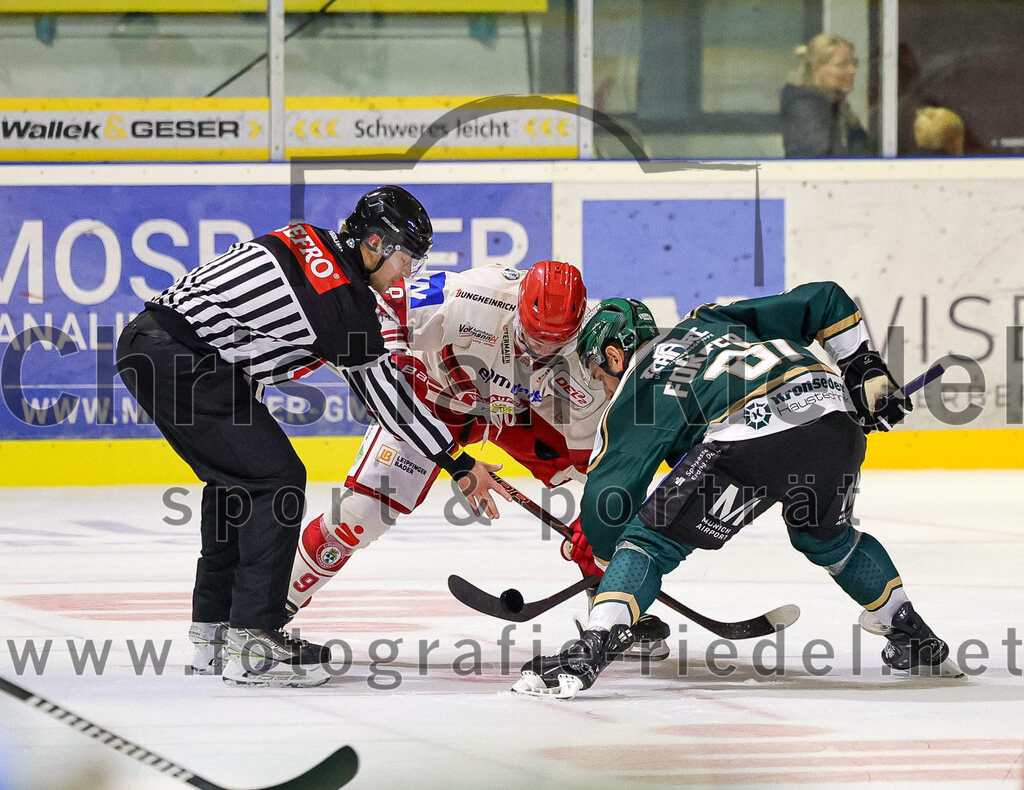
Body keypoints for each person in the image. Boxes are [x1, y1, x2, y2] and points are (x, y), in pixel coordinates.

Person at [116, 185, 509, 688]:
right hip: (184, 361)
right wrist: (457, 461)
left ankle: (212, 633)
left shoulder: (307, 238)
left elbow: (243, 322)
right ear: (374, 243)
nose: (408, 272)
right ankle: (253, 639)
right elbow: (390, 402)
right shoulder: (344, 301)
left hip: (156, 344)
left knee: (237, 484)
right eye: (406, 257)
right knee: (276, 481)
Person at [514, 286, 964, 698]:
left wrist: (605, 560)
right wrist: (863, 366)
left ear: (614, 355)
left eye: (598, 374)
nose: (602, 386)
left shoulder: (640, 382)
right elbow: (826, 300)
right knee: (827, 539)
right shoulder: (709, 320)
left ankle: (591, 648)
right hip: (837, 422)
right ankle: (915, 637)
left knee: (647, 544)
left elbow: (609, 498)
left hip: (751, 436)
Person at [285, 260, 672, 660]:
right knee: (364, 512)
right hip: (436, 399)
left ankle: (611, 610)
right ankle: (270, 607)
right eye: (535, 338)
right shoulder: (474, 295)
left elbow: (598, 461)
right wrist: (394, 367)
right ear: (520, 304)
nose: (541, 352)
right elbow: (380, 307)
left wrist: (595, 521)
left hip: (520, 415)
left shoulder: (590, 351)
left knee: (606, 500)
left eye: (557, 343)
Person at [781, 33, 870, 158]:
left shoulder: (836, 105)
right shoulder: (805, 107)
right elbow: (816, 165)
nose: (852, 70)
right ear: (816, 69)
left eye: (853, 62)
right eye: (842, 64)